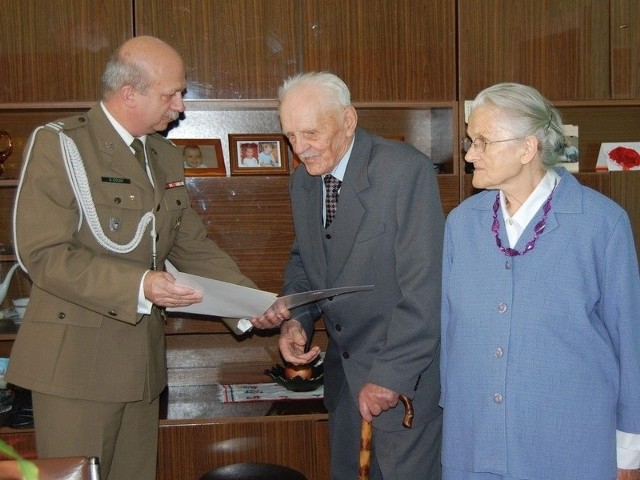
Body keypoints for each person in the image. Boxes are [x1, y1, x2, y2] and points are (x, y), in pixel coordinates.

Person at [7, 36, 257, 480]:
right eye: (171, 94)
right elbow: (42, 254)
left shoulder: (161, 154)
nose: (181, 106)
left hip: (141, 369)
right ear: (129, 94)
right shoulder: (61, 144)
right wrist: (139, 285)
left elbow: (192, 245)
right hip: (75, 371)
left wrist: (254, 304)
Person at [250, 72, 445, 480]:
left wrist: (389, 377)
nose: (300, 149)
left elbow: (426, 290)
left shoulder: (403, 171)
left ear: (349, 120)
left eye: (310, 133)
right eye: (289, 136)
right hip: (343, 388)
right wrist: (296, 321)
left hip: (400, 384)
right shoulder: (303, 182)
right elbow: (306, 261)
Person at [441, 82, 640, 480]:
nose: (468, 154)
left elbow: (629, 340)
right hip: (476, 445)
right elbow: (451, 336)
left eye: (481, 141)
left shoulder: (603, 224)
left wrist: (629, 451)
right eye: (470, 141)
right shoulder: (461, 224)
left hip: (573, 449)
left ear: (527, 148)